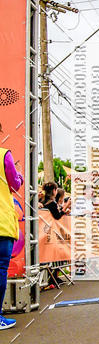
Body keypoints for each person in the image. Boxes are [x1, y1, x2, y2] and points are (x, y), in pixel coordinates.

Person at [0, 135, 23, 330]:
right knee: (0, 269)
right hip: (1, 223)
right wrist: (20, 176)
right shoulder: (3, 155)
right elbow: (15, 183)